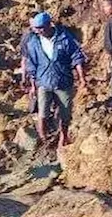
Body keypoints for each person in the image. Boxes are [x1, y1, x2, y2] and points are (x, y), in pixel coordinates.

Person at [21, 12, 88, 147]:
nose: (39, 31)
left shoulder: (64, 38)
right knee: (43, 112)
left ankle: (63, 136)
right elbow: (31, 65)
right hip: (43, 82)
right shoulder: (34, 42)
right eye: (36, 28)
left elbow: (76, 57)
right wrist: (33, 86)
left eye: (41, 27)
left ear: (48, 25)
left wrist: (82, 78)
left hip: (63, 81)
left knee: (65, 113)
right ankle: (43, 137)